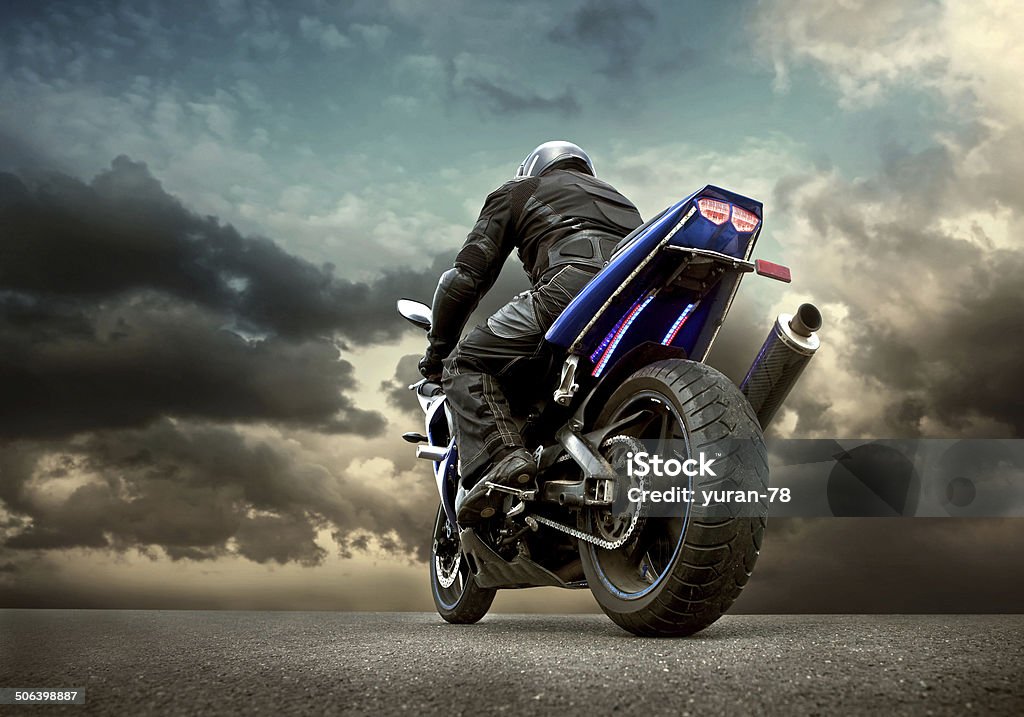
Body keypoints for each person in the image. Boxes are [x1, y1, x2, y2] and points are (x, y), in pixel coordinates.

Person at [419, 141, 643, 524]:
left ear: (533, 167)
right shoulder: (623, 203)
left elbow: (465, 278)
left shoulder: (519, 190)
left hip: (571, 290)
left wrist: (438, 353)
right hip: (634, 305)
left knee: (465, 364)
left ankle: (504, 460)